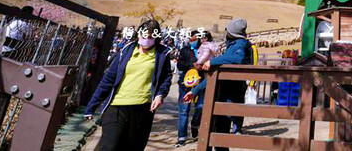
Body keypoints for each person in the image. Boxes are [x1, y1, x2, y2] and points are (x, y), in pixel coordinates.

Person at [84, 20, 172, 151]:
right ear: (138, 34)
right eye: (144, 35)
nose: (146, 39)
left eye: (150, 37)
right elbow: (108, 80)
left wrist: (160, 95)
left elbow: (166, 78)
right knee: (110, 146)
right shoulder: (125, 51)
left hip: (142, 109)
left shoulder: (162, 54)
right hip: (116, 107)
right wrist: (92, 106)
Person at [183, 18, 253, 151]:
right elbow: (216, 75)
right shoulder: (234, 45)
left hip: (229, 94)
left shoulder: (239, 45)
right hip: (224, 92)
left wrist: (213, 61)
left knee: (220, 132)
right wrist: (196, 90)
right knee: (217, 131)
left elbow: (237, 58)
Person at [176, 29, 209, 146]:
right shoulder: (185, 50)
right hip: (185, 84)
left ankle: (195, 125)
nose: (193, 40)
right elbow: (179, 65)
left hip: (200, 83)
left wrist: (203, 66)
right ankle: (181, 137)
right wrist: (191, 65)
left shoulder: (205, 49)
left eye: (196, 38)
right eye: (191, 38)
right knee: (184, 110)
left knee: (200, 107)